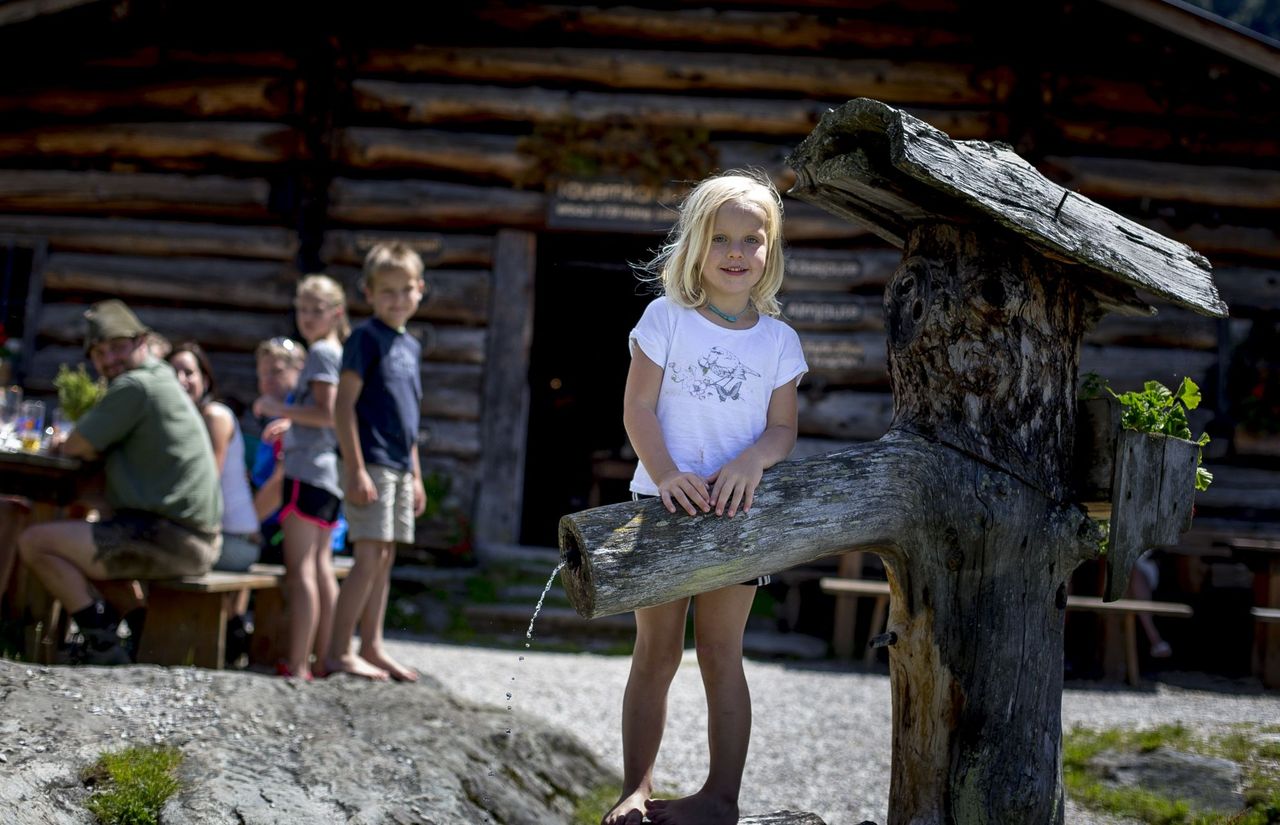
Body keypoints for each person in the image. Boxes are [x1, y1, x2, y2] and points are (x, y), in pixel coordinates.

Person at [603, 170, 807, 825]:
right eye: (723, 238)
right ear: (696, 244)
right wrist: (664, 474)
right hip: (659, 504)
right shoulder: (665, 319)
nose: (737, 252)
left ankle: (721, 797)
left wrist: (753, 459)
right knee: (656, 650)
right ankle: (635, 787)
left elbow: (782, 428)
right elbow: (637, 408)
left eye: (753, 239)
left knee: (722, 651)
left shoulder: (778, 340)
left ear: (770, 251)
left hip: (737, 517)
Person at [18, 300, 222, 665]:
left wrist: (66, 443)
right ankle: (139, 633)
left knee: (35, 542)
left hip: (170, 537)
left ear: (141, 341)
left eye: (117, 347)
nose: (109, 359)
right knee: (82, 540)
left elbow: (78, 444)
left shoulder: (135, 386)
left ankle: (102, 641)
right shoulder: (158, 378)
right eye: (99, 352)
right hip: (186, 535)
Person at [325, 242, 427, 682]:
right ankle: (336, 652)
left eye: (406, 289)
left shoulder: (411, 346)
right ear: (368, 292)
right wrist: (356, 468)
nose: (397, 299)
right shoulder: (364, 339)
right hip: (372, 465)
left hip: (401, 469)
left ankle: (372, 646)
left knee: (384, 558)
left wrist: (417, 476)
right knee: (368, 557)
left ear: (420, 290)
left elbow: (409, 421)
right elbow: (342, 408)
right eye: (387, 291)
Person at [252, 276, 348, 680]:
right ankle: (322, 659)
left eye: (316, 310)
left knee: (301, 571)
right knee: (321, 568)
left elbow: (328, 414)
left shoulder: (323, 353)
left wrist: (278, 408)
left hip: (307, 472)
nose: (307, 318)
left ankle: (296, 665)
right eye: (303, 309)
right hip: (327, 473)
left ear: (336, 312)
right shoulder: (335, 351)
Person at [168, 342, 260, 573]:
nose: (180, 380)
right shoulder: (182, 422)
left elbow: (208, 481)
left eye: (188, 372)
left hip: (236, 542)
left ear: (205, 380)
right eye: (172, 373)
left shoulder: (214, 416)